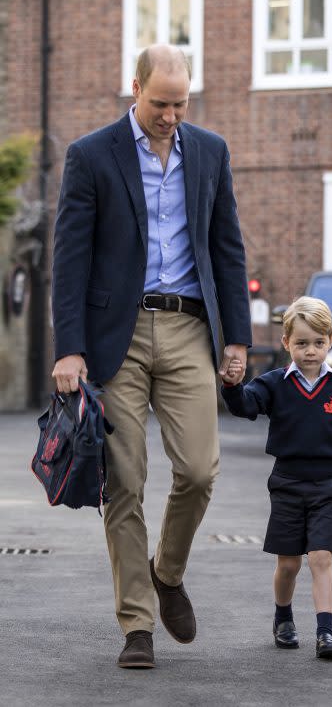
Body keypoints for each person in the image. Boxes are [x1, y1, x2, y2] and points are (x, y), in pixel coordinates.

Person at [51, 45, 252, 668]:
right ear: (134, 88)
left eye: (180, 103)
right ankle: (137, 624)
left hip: (191, 328)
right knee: (125, 481)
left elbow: (227, 246)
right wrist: (69, 349)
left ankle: (167, 571)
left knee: (198, 470)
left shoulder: (210, 151)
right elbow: (70, 258)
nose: (170, 115)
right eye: (160, 102)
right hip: (119, 335)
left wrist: (238, 339)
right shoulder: (91, 155)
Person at [220, 296, 332, 659]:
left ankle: (325, 632)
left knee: (321, 556)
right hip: (286, 482)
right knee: (289, 562)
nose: (310, 351)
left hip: (328, 484)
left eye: (318, 342)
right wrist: (234, 386)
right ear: (286, 343)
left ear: (330, 341)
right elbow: (245, 406)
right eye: (301, 343)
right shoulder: (274, 384)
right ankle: (283, 616)